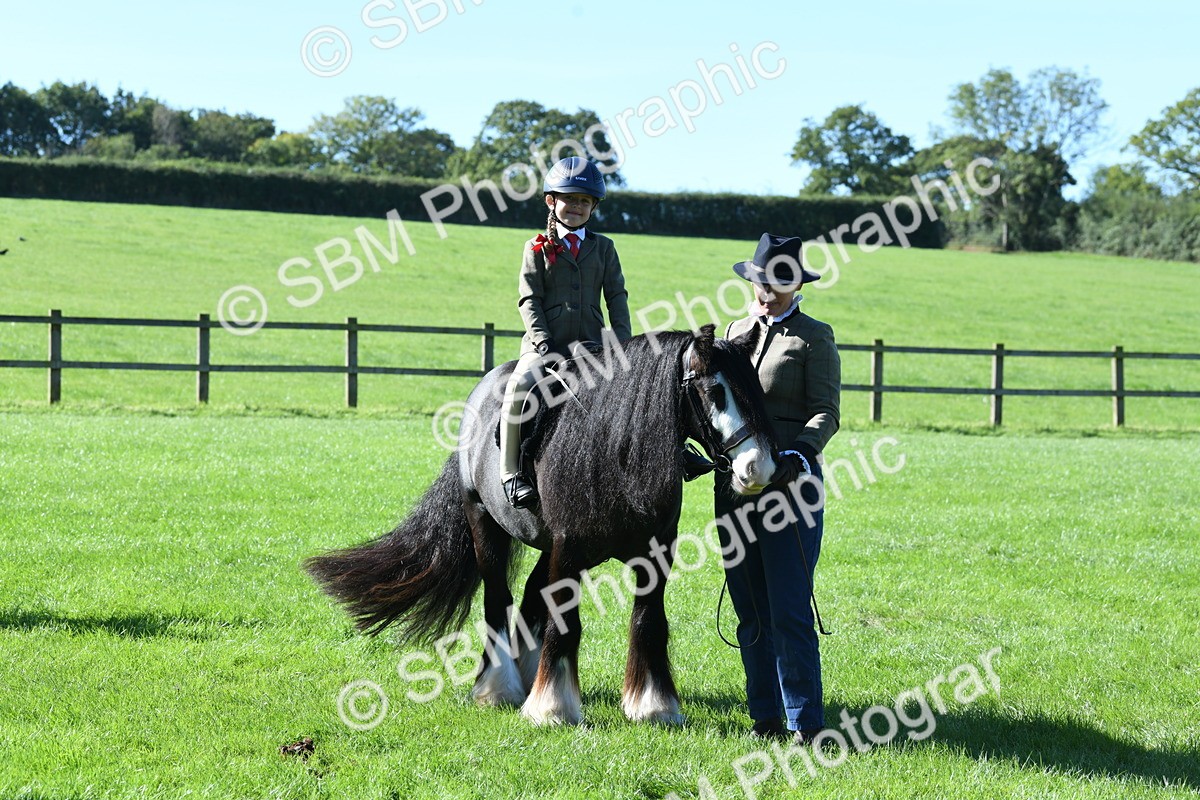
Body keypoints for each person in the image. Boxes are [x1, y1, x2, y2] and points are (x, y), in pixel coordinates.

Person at [716, 232, 841, 743]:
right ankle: (764, 717)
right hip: (736, 490)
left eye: (779, 283)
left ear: (795, 285)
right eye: (763, 281)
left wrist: (799, 453)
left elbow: (827, 412)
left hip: (792, 489)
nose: (768, 291)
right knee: (750, 610)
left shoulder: (815, 336)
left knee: (789, 610)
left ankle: (805, 724)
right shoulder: (733, 330)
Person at [499, 157, 632, 508]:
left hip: (591, 345)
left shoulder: (604, 248)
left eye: (584, 201)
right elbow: (529, 299)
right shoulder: (536, 247)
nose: (576, 207)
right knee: (518, 387)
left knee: (640, 388)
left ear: (593, 207)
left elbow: (616, 297)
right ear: (551, 201)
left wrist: (622, 343)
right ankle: (511, 474)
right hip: (544, 345)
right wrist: (543, 345)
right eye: (569, 199)